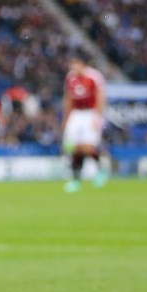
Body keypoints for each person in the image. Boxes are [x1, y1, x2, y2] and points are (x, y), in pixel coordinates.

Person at [61, 57, 109, 192]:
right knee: (74, 148)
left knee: (87, 147)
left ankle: (101, 169)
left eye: (75, 65)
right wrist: (66, 118)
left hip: (90, 113)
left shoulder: (94, 76)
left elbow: (100, 97)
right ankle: (76, 179)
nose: (73, 68)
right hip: (76, 114)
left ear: (82, 64)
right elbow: (68, 98)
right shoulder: (70, 78)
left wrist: (98, 116)